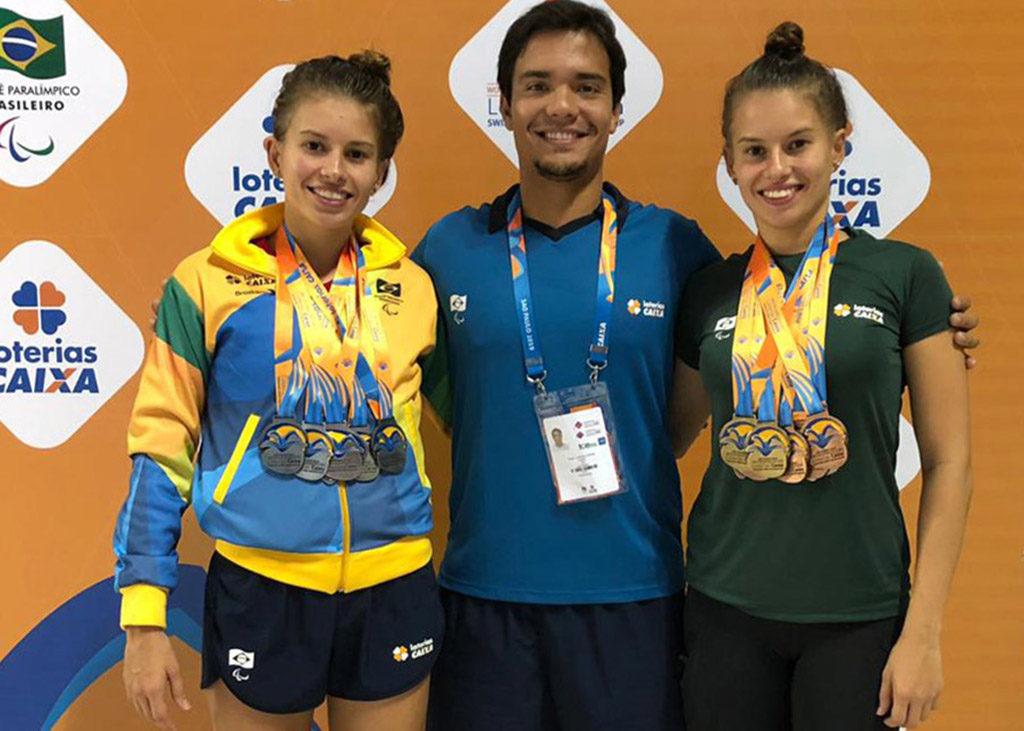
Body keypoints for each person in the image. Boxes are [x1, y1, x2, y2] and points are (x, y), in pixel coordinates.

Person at [411, 4, 978, 730]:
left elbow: (696, 404)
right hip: (487, 599)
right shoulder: (447, 249)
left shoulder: (676, 250)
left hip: (638, 603)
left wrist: (937, 328)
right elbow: (375, 345)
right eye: (537, 85)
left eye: (587, 86)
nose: (561, 106)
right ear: (506, 103)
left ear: (617, 109)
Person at [113, 53, 442, 731]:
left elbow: (465, 412)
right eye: (314, 146)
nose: (333, 170)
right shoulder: (204, 282)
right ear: (275, 152)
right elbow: (161, 444)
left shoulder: (413, 288)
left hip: (394, 582)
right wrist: (144, 616)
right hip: (262, 585)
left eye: (357, 154)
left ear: (381, 172)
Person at [673, 22, 972, 731]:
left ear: (839, 145)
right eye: (755, 150)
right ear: (729, 162)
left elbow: (949, 461)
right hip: (723, 608)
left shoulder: (905, 275)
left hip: (858, 615)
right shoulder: (709, 289)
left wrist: (924, 632)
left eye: (798, 144)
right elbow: (668, 436)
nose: (776, 168)